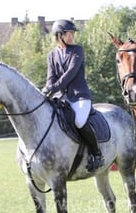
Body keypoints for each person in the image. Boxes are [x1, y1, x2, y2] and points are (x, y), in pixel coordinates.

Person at [41, 19, 104, 172]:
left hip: (79, 96)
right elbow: (51, 77)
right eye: (69, 34)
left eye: (72, 34)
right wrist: (47, 90)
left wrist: (53, 87)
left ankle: (96, 154)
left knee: (79, 121)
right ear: (60, 35)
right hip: (61, 98)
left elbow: (70, 74)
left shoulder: (77, 50)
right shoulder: (52, 55)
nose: (72, 37)